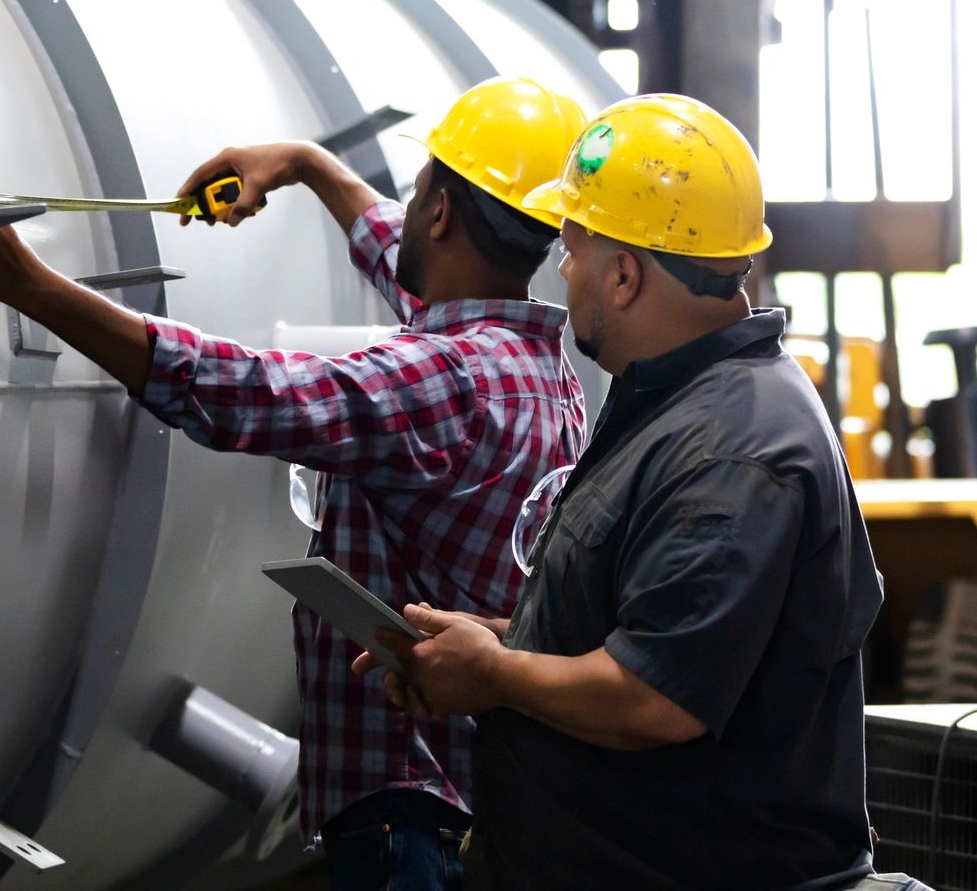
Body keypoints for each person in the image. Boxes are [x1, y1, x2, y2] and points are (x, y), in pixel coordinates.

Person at [0, 77, 591, 890]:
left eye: (417, 194)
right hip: (472, 793)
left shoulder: (444, 379)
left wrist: (29, 286)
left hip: (409, 814)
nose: (406, 210)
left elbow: (240, 391)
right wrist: (306, 165)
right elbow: (408, 266)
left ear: (442, 213)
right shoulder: (531, 363)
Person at [361, 94, 891, 891]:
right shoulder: (675, 404)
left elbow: (653, 698)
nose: (562, 268)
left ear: (623, 273)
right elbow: (642, 622)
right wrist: (498, 638)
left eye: (571, 247)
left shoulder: (733, 451)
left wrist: (494, 676)